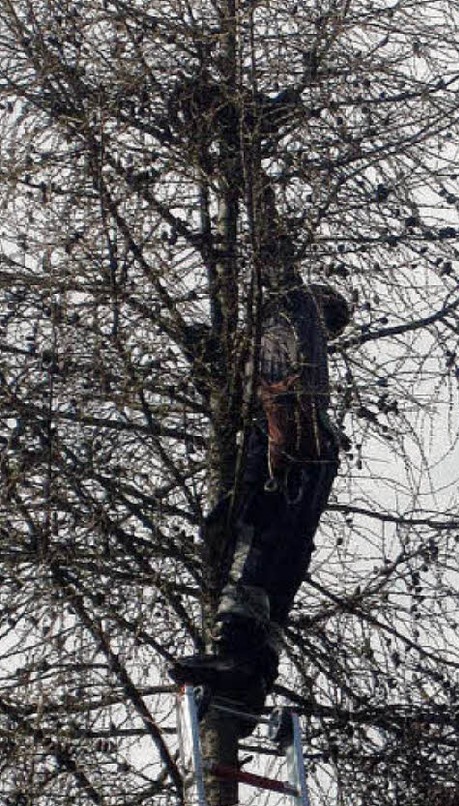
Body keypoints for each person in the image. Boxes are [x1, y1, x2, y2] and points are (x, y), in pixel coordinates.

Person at [176, 195, 350, 735]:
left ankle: (239, 659)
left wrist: (254, 187)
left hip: (292, 443)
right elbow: (231, 377)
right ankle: (250, 675)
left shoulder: (295, 317)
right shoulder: (279, 343)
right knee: (270, 553)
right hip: (298, 448)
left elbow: (277, 262)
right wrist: (207, 354)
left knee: (254, 541)